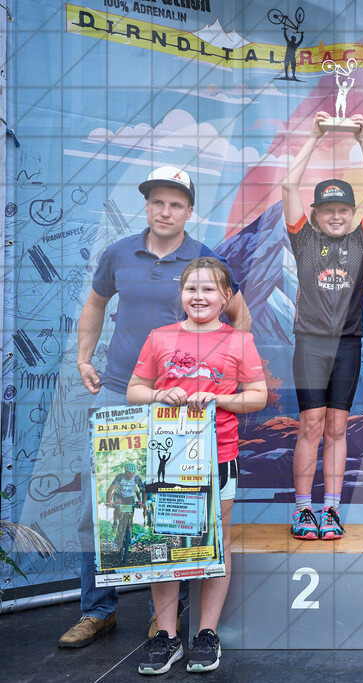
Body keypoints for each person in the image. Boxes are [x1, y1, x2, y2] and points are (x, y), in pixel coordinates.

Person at [60, 166, 249, 648]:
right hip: (121, 392)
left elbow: (238, 321)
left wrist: (222, 382)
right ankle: (97, 611)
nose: (165, 212)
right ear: (147, 206)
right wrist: (85, 357)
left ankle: (161, 617)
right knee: (99, 512)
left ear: (190, 210)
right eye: (157, 203)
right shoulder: (118, 252)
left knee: (171, 509)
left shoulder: (206, 258)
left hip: (182, 409)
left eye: (176, 204)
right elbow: (95, 304)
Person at [127, 256, 267, 674]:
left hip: (219, 458)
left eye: (209, 289)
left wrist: (221, 399)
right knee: (165, 544)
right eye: (192, 289)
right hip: (165, 463)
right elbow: (135, 389)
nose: (199, 296)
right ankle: (166, 636)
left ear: (226, 297)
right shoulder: (159, 337)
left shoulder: (239, 341)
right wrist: (157, 396)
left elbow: (257, 395)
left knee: (214, 543)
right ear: (181, 295)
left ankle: (206, 632)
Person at [281, 111, 363, 540]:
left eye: (344, 209)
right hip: (310, 343)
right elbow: (289, 186)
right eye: (329, 210)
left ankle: (331, 510)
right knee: (310, 425)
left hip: (348, 343)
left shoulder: (362, 243)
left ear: (352, 212)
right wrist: (312, 135)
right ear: (317, 214)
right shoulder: (304, 241)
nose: (338, 216)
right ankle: (303, 510)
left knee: (337, 427)